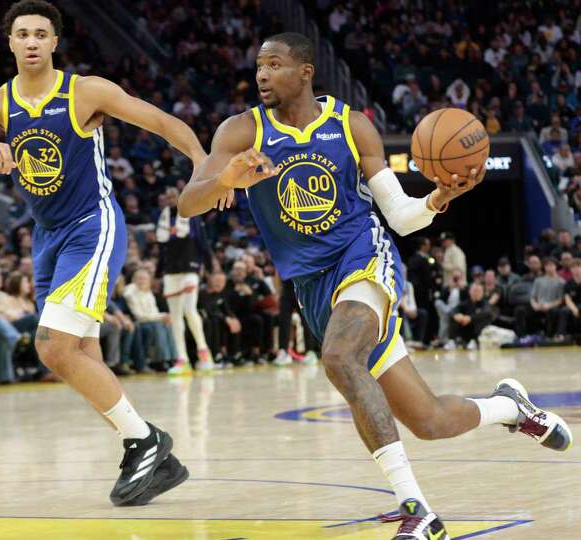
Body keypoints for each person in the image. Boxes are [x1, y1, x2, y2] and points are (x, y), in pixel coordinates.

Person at [178, 32, 572, 539]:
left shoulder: (350, 125)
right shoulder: (240, 131)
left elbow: (400, 218)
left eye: (273, 64)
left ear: (304, 71)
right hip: (313, 286)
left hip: (362, 257)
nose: (261, 75)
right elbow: (189, 203)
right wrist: (225, 180)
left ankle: (418, 512)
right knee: (428, 421)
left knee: (340, 359)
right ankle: (509, 408)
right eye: (258, 66)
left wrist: (434, 198)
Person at [0, 0, 205, 505]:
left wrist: (202, 162)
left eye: (40, 33)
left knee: (53, 346)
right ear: (10, 42)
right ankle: (149, 452)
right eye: (22, 34)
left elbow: (162, 122)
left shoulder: (85, 91)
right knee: (79, 356)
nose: (31, 42)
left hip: (92, 226)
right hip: (47, 236)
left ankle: (146, 440)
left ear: (55, 42)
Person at [156, 186, 214, 374]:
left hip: (190, 268)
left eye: (174, 195)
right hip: (171, 271)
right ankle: (183, 359)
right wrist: (158, 274)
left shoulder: (192, 216)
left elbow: (203, 243)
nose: (171, 199)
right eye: (168, 196)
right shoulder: (163, 218)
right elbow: (162, 250)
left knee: (189, 310)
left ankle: (203, 351)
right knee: (175, 316)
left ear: (180, 196)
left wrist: (210, 268)